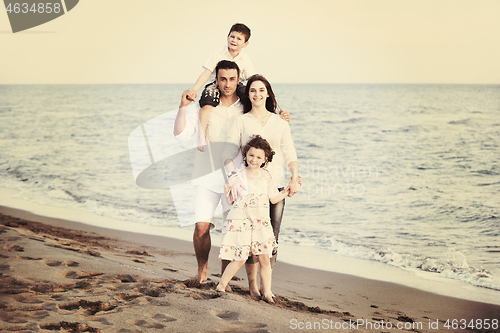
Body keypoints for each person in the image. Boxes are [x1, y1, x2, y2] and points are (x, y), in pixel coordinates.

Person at [173, 61, 291, 286]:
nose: (227, 84)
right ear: (216, 80)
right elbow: (180, 134)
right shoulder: (205, 108)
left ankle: (224, 280)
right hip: (206, 176)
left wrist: (282, 118)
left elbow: (265, 125)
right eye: (222, 79)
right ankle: (202, 273)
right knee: (201, 227)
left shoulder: (245, 108)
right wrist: (182, 106)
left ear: (239, 81)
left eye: (232, 79)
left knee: (234, 232)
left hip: (237, 180)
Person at [223, 74, 300, 297]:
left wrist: (294, 177)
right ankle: (253, 286)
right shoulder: (241, 120)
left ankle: (267, 288)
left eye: (261, 90)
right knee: (248, 239)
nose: (257, 94)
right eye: (253, 90)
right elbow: (228, 152)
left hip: (274, 186)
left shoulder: (280, 122)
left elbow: (289, 150)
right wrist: (231, 177)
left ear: (268, 93)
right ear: (248, 95)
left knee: (270, 238)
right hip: (248, 188)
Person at [217, 135, 289, 303]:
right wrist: (227, 187)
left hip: (261, 222)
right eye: (251, 155)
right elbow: (231, 201)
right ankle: (221, 284)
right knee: (241, 257)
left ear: (265, 159)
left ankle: (267, 292)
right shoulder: (238, 175)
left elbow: (273, 198)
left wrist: (287, 191)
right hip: (242, 220)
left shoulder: (266, 176)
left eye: (258, 157)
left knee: (264, 257)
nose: (254, 159)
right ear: (245, 155)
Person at [182, 23, 256, 151]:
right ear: (227, 37)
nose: (234, 40)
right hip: (216, 84)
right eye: (232, 36)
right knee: (207, 101)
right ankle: (201, 136)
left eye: (239, 39)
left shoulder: (245, 59)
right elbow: (207, 72)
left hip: (237, 85)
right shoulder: (219, 53)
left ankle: (249, 136)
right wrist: (194, 90)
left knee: (250, 99)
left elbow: (253, 79)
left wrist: (260, 94)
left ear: (245, 44)